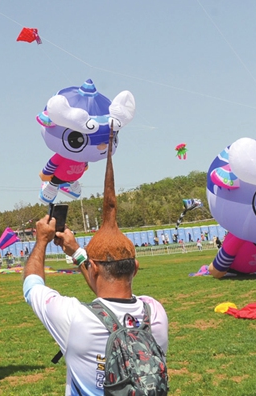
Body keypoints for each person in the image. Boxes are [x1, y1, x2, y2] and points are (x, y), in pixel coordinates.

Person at [23, 145, 168, 396]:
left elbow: (32, 285)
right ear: (135, 267)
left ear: (96, 268)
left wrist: (42, 241)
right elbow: (109, 292)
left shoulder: (74, 318)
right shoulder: (154, 312)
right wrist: (77, 252)